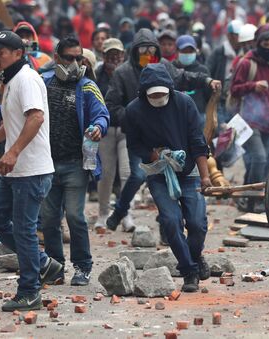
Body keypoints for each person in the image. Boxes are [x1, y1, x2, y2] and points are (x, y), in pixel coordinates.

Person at [0, 31, 63, 311]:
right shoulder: (11, 81)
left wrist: (12, 152)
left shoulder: (27, 79)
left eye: (0, 52)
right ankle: (44, 263)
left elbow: (36, 118)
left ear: (18, 53)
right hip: (13, 170)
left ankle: (29, 292)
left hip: (30, 170)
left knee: (23, 231)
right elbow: (12, 123)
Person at [104, 28, 221, 231]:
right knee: (138, 175)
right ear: (134, 52)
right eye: (142, 50)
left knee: (174, 177)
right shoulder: (123, 73)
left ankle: (167, 227)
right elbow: (112, 105)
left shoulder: (164, 67)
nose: (147, 55)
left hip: (167, 130)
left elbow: (184, 77)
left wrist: (206, 80)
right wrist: (135, 117)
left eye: (151, 50)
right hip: (138, 134)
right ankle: (120, 210)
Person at [123, 63, 211, 293]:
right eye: (154, 95)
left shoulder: (184, 103)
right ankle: (189, 270)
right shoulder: (134, 111)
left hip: (189, 168)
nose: (159, 98)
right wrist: (151, 153)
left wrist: (206, 177)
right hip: (159, 172)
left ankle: (195, 255)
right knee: (171, 221)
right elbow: (133, 144)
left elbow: (198, 141)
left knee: (197, 223)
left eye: (163, 93)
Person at [39, 38, 109, 285]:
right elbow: (19, 106)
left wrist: (99, 127)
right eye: (68, 58)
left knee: (75, 216)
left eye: (78, 58)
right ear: (56, 58)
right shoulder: (43, 83)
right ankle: (55, 267)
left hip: (75, 165)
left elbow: (102, 114)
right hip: (46, 164)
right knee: (48, 218)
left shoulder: (87, 86)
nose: (74, 63)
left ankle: (82, 266)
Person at [230, 29, 269, 212]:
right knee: (259, 158)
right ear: (258, 44)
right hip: (249, 121)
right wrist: (253, 86)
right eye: (265, 44)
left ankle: (248, 198)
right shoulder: (246, 64)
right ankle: (255, 200)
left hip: (268, 124)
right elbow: (234, 89)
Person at [94, 38, 128, 230]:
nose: (114, 58)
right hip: (104, 130)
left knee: (126, 173)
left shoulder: (129, 74)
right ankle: (103, 214)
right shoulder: (97, 76)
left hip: (126, 129)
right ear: (103, 55)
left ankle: (125, 214)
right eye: (110, 54)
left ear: (123, 55)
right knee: (106, 175)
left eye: (118, 54)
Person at [173, 35, 211, 125]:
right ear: (177, 52)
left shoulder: (203, 71)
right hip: (176, 117)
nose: (187, 54)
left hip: (198, 117)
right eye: (184, 51)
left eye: (191, 51)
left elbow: (208, 96)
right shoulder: (171, 69)